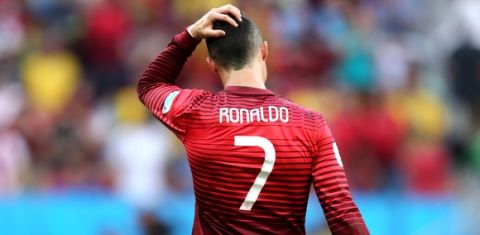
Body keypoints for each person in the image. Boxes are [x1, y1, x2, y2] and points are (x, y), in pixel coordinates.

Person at [137, 4, 369, 235]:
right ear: (264, 51)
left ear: (213, 65)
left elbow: (150, 85)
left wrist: (191, 35)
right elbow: (341, 212)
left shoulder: (195, 111)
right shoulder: (310, 124)